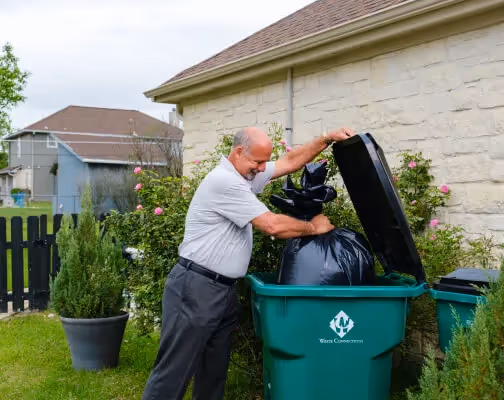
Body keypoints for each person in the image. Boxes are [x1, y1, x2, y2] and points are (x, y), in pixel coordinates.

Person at [142, 126, 356, 400]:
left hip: (221, 291)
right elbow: (272, 225)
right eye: (257, 161)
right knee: (173, 374)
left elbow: (289, 162)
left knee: (212, 374)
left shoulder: (244, 176)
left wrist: (326, 139)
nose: (262, 167)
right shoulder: (224, 181)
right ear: (239, 152)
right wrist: (313, 227)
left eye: (265, 161)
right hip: (196, 288)